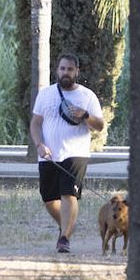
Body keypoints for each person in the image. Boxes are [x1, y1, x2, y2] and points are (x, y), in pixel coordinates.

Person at [29, 53, 105, 253]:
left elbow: (99, 126)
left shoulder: (87, 96)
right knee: (48, 198)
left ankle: (64, 238)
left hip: (75, 153)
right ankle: (67, 225)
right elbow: (36, 123)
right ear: (57, 70)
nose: (65, 72)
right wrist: (38, 144)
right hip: (48, 154)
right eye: (62, 68)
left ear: (76, 72)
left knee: (68, 194)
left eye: (70, 69)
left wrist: (85, 115)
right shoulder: (45, 94)